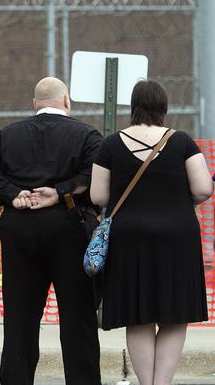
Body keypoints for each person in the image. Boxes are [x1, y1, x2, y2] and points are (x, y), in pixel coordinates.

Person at [0, 77, 102, 385]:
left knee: (19, 318)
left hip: (19, 226)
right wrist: (60, 191)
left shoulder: (6, 135)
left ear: (35, 105)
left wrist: (13, 193)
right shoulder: (87, 136)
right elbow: (94, 173)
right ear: (67, 102)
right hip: (70, 224)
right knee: (78, 318)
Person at [90, 79, 212, 385]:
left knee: (138, 314)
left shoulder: (111, 144)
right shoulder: (183, 142)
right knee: (174, 313)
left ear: (133, 107)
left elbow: (98, 197)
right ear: (164, 107)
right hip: (177, 237)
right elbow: (202, 189)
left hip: (129, 239)